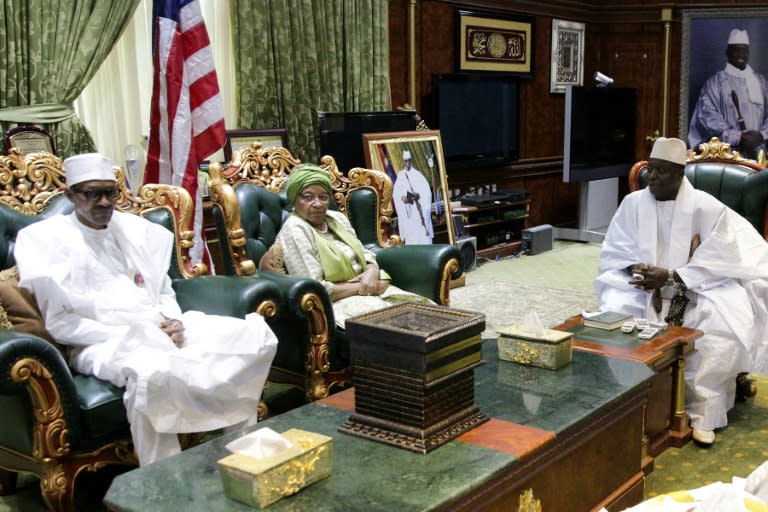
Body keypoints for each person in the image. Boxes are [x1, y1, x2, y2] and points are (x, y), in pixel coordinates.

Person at [14, 153, 278, 466]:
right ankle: (163, 478)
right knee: (151, 374)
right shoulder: (45, 240)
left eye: (110, 193)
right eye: (91, 194)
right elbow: (63, 324)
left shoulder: (133, 230)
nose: (103, 202)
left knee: (250, 337)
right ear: (71, 195)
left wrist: (172, 321)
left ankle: (241, 452)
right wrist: (142, 332)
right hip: (101, 344)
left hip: (163, 329)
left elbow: (163, 290)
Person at [594, 137, 768, 446]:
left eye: (661, 171)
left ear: (679, 173)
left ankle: (703, 412)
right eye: (650, 170)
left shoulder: (707, 207)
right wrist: (636, 269)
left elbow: (723, 258)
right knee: (615, 306)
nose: (653, 178)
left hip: (697, 288)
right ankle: (631, 403)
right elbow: (615, 250)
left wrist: (673, 276)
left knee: (718, 322)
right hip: (643, 289)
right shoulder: (633, 204)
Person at [270, 164, 432, 327]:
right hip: (339, 303)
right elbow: (316, 289)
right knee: (402, 330)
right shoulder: (295, 229)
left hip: (371, 287)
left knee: (429, 315)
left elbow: (364, 252)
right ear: (294, 199)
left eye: (323, 197)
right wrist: (365, 287)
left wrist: (372, 271)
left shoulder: (336, 218)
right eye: (308, 197)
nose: (318, 204)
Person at [688, 28, 768, 160]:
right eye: (736, 49)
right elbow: (708, 117)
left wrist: (761, 135)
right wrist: (738, 137)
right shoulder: (715, 83)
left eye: (744, 50)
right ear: (728, 52)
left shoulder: (761, 83)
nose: (741, 54)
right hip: (726, 156)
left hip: (758, 154)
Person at [393, 149, 434, 244]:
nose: (407, 163)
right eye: (405, 160)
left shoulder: (418, 175)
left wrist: (414, 197)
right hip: (408, 215)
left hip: (418, 215)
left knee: (422, 239)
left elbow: (425, 194)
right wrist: (405, 199)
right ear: (403, 161)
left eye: (409, 160)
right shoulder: (400, 176)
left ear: (411, 160)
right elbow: (397, 196)